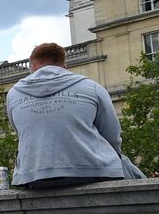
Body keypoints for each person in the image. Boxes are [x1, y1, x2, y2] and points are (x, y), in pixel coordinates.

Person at [7, 41, 130, 188]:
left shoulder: (14, 94)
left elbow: (20, 131)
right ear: (65, 67)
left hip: (33, 175)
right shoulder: (92, 87)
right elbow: (112, 134)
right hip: (92, 171)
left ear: (32, 67)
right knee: (130, 170)